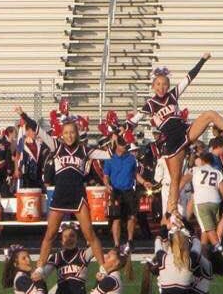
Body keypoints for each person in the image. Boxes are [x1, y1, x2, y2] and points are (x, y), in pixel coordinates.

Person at [127, 54, 223, 228]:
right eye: (158, 84)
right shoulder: (150, 104)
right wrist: (121, 130)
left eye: (165, 84)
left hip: (185, 132)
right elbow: (133, 121)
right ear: (153, 86)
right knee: (175, 180)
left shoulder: (173, 95)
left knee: (209, 115)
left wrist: (203, 60)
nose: (162, 87)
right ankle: (171, 213)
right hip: (172, 143)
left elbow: (189, 77)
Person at [17, 108, 110, 279]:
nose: (69, 136)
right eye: (66, 133)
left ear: (77, 133)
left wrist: (119, 139)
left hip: (78, 196)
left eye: (72, 132)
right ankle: (39, 267)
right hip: (60, 196)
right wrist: (23, 116)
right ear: (61, 134)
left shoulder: (85, 150)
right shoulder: (56, 145)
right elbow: (38, 129)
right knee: (50, 234)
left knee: (89, 233)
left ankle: (103, 267)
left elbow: (108, 155)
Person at [183, 152, 223, 268]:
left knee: (209, 228)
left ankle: (218, 248)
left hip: (201, 201)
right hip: (215, 201)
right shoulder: (217, 172)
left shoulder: (196, 170)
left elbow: (184, 180)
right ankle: (203, 250)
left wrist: (176, 193)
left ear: (202, 160)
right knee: (205, 228)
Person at [103, 138, 140, 250]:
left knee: (132, 217)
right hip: (116, 191)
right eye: (122, 144)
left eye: (125, 144)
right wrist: (107, 185)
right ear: (117, 145)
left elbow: (135, 174)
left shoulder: (131, 159)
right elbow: (105, 176)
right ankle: (116, 244)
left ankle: (130, 240)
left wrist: (143, 182)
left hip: (128, 191)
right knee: (116, 218)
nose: (125, 146)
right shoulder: (109, 159)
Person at [34, 224, 94, 294]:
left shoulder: (84, 254)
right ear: (61, 241)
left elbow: (95, 245)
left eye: (72, 236)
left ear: (77, 239)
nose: (69, 238)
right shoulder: (57, 257)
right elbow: (44, 273)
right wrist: (39, 273)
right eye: (65, 236)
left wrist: (88, 235)